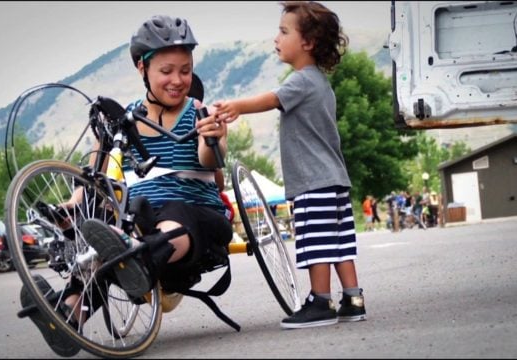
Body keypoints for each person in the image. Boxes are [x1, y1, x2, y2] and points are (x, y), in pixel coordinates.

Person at [20, 15, 232, 356]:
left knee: (168, 215)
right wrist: (74, 204)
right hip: (140, 220)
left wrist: (212, 138)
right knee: (116, 225)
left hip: (200, 218)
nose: (178, 80)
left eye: (185, 69)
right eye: (167, 71)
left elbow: (211, 162)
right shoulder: (125, 118)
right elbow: (96, 172)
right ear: (141, 68)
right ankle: (68, 315)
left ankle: (141, 259)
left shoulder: (201, 112)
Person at [214, 1, 366, 329]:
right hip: (334, 179)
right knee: (339, 240)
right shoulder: (320, 81)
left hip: (314, 182)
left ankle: (321, 301)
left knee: (316, 242)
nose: (276, 38)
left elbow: (271, 99)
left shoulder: (302, 80)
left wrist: (235, 106)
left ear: (307, 43)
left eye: (284, 32)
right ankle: (353, 298)